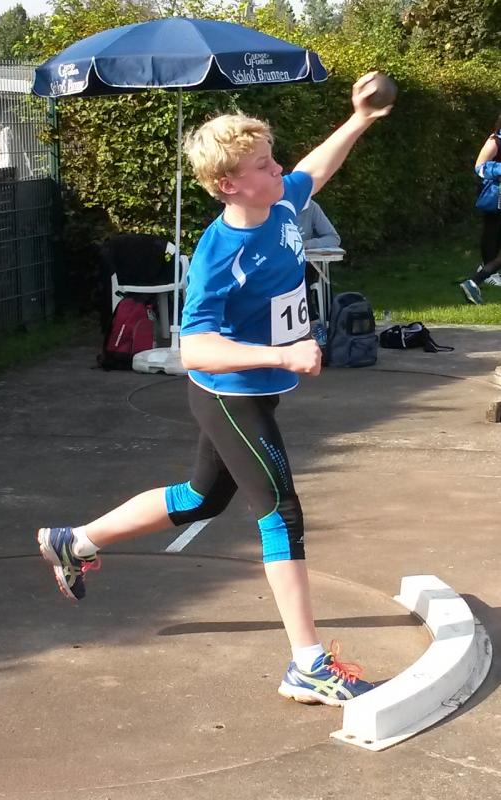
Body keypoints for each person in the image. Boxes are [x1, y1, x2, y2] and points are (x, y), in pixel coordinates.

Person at [37, 72, 393, 706]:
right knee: (281, 512)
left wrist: (360, 119)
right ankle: (307, 664)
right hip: (229, 393)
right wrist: (282, 353)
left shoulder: (280, 204)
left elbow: (313, 170)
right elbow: (194, 347)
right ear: (229, 184)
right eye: (263, 164)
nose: (279, 168)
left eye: (273, 158)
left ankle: (77, 540)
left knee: (200, 498)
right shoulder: (219, 254)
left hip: (256, 388)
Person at [460, 115, 501, 305]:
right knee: (491, 232)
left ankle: (474, 281)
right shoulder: (496, 140)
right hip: (496, 195)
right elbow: (480, 167)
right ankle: (477, 279)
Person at [297, 199, 341, 347]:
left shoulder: (311, 207)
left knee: (305, 277)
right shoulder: (269, 205)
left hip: (303, 264)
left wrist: (308, 244)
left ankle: (315, 323)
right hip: (273, 265)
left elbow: (334, 238)